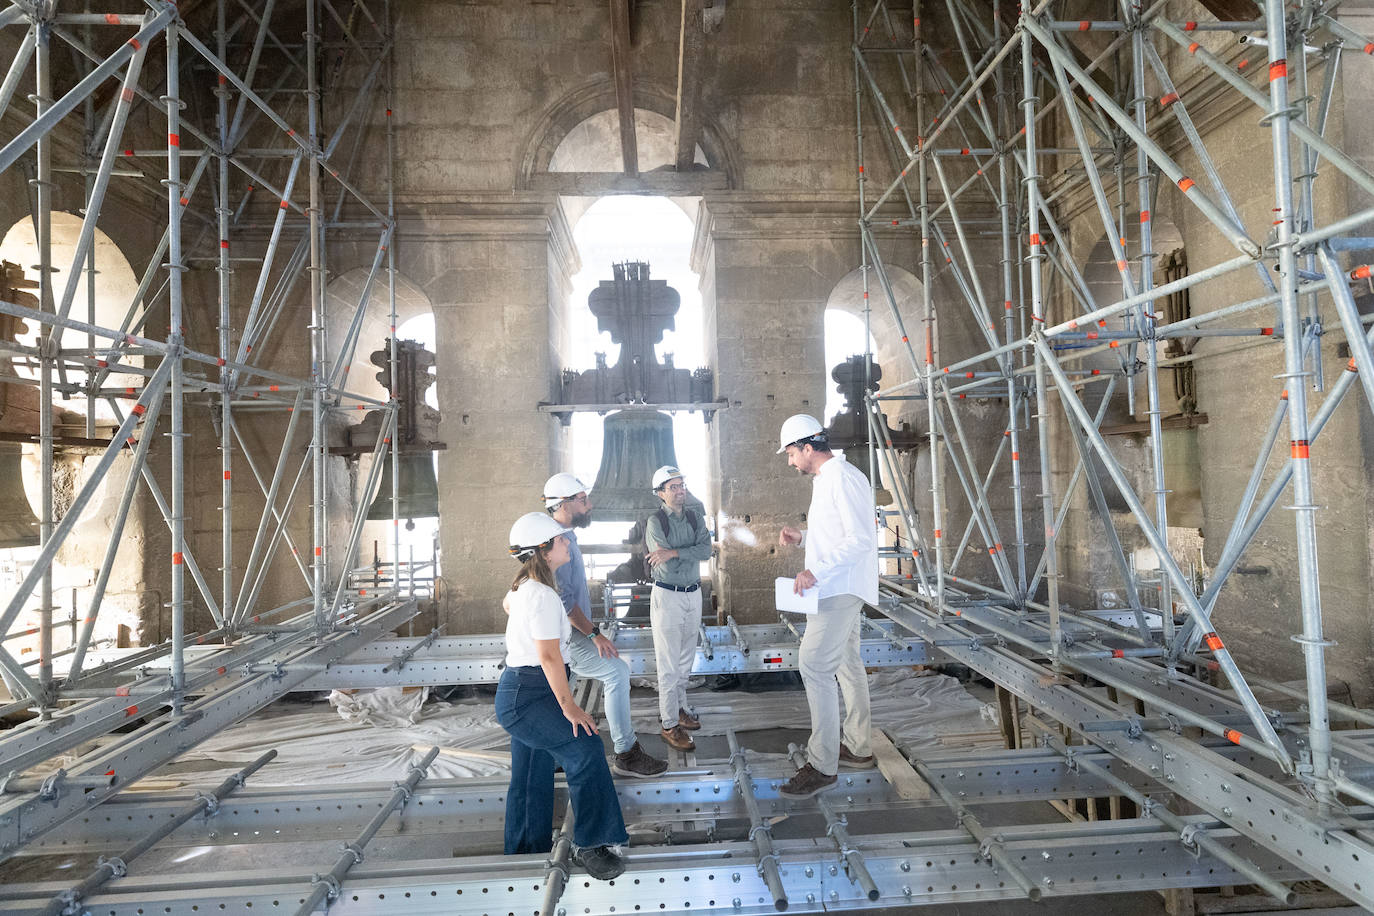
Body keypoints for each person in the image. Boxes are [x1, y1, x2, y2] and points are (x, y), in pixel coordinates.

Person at [495, 511, 629, 881]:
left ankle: (524, 850)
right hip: (528, 697)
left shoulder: (528, 587)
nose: (568, 543)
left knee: (530, 773)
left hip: (524, 690)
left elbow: (510, 604)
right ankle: (593, 843)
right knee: (584, 746)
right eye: (560, 540)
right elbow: (549, 656)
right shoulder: (541, 595)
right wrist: (570, 707)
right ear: (543, 550)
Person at [775, 414, 878, 799]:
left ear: (807, 447)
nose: (790, 462)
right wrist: (803, 538)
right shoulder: (828, 479)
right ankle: (857, 746)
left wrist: (814, 570)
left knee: (814, 665)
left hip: (838, 589)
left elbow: (861, 540)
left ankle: (822, 765)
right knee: (847, 664)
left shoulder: (843, 477)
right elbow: (836, 533)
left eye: (790, 454)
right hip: (838, 585)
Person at [543, 473, 667, 778]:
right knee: (616, 671)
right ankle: (626, 752)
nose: (590, 504)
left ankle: (556, 753)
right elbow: (565, 602)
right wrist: (594, 633)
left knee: (564, 687)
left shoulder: (563, 536)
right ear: (564, 504)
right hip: (566, 638)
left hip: (569, 634)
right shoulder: (555, 541)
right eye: (583, 500)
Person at [644, 465, 712, 752]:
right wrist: (683, 553)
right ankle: (669, 723)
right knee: (669, 665)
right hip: (668, 597)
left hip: (693, 593)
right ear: (661, 493)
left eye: (682, 484)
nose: (680, 490)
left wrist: (673, 551)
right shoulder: (655, 522)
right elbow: (665, 563)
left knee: (686, 659)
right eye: (673, 486)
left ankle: (681, 709)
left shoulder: (696, 518)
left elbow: (707, 551)